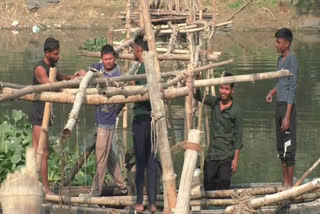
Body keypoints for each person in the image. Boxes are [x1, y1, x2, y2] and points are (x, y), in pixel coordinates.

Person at [29, 37, 86, 194]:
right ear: (47, 53)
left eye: (58, 53)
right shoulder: (40, 69)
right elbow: (51, 85)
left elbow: (62, 78)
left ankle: (37, 184)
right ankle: (45, 188)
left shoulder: (52, 66)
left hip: (45, 115)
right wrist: (65, 88)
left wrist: (75, 78)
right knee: (43, 152)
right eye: (55, 54)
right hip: (39, 115)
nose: (58, 56)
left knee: (39, 151)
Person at [85, 44, 128, 196]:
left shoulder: (118, 75)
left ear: (114, 58)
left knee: (101, 158)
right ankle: (123, 187)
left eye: (110, 59)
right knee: (108, 157)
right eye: (105, 59)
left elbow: (123, 98)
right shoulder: (99, 67)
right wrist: (82, 74)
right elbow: (90, 71)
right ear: (102, 59)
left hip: (108, 121)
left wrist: (114, 112)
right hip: (99, 119)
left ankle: (95, 192)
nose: (108, 62)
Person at [194, 72, 243, 190]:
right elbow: (199, 96)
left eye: (226, 89)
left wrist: (235, 160)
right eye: (221, 88)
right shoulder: (215, 102)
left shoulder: (236, 110)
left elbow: (238, 137)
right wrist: (198, 79)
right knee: (208, 188)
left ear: (232, 91)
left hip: (226, 156)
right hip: (212, 155)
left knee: (223, 188)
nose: (223, 91)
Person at [266, 28, 299, 187]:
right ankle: (284, 181)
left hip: (288, 108)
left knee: (289, 145)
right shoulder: (280, 60)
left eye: (278, 42)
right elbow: (282, 83)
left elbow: (292, 89)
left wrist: (287, 116)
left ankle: (289, 184)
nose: (276, 44)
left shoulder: (292, 60)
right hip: (279, 105)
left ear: (287, 43)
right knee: (280, 146)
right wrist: (272, 91)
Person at [132, 34, 157, 212]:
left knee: (141, 161)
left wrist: (132, 84)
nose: (133, 53)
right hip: (154, 120)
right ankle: (153, 203)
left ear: (138, 50)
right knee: (151, 161)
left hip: (142, 119)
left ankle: (140, 201)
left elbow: (140, 90)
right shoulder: (153, 67)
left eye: (134, 50)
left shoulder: (143, 68)